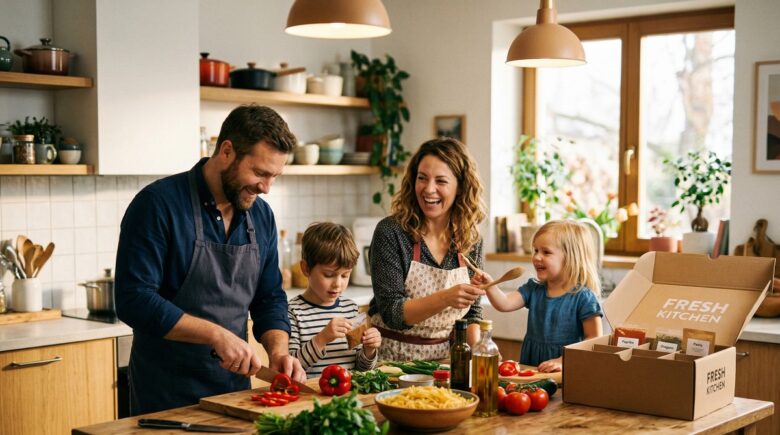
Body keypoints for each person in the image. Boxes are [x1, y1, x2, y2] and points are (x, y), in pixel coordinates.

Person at [115, 104, 305, 415]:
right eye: (259, 173)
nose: (266, 188)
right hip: (165, 397)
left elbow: (269, 297)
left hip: (233, 394)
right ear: (227, 151)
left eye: (274, 177)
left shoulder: (260, 215)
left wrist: (278, 351)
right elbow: (133, 299)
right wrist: (215, 335)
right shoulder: (158, 205)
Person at [368, 137, 487, 361]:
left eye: (441, 181)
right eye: (422, 178)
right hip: (392, 362)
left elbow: (472, 312)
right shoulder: (391, 232)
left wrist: (481, 349)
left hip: (444, 362)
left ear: (460, 186)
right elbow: (393, 312)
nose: (428, 189)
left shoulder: (470, 238)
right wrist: (445, 298)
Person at [480, 220, 604, 373]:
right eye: (536, 250)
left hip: (566, 370)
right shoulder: (533, 289)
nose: (537, 257)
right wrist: (490, 285)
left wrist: (564, 360)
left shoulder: (583, 297)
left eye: (546, 252)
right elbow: (504, 303)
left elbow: (594, 338)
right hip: (531, 366)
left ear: (571, 257)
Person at [288, 222, 382, 377]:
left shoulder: (350, 308)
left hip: (348, 397)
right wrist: (322, 338)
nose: (338, 283)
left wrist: (369, 350)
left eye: (345, 275)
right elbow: (291, 367)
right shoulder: (293, 312)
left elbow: (361, 369)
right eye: (329, 275)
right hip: (310, 399)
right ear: (305, 268)